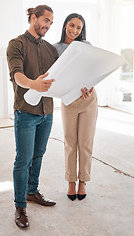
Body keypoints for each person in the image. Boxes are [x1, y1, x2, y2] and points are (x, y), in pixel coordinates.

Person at [6, 5, 58, 229]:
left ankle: (31, 192)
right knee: (23, 160)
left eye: (51, 23)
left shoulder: (50, 49)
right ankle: (20, 206)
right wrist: (33, 83)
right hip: (26, 112)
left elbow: (60, 77)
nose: (47, 25)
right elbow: (16, 75)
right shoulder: (16, 44)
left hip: (47, 112)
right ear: (33, 18)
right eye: (45, 20)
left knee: (38, 155)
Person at [54, 13, 98, 201]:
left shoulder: (86, 46)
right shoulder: (55, 49)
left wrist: (91, 85)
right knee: (70, 142)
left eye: (78, 28)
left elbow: (94, 69)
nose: (74, 30)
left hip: (88, 99)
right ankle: (71, 181)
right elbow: (55, 74)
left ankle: (83, 181)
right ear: (65, 25)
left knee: (85, 142)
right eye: (71, 25)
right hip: (68, 100)